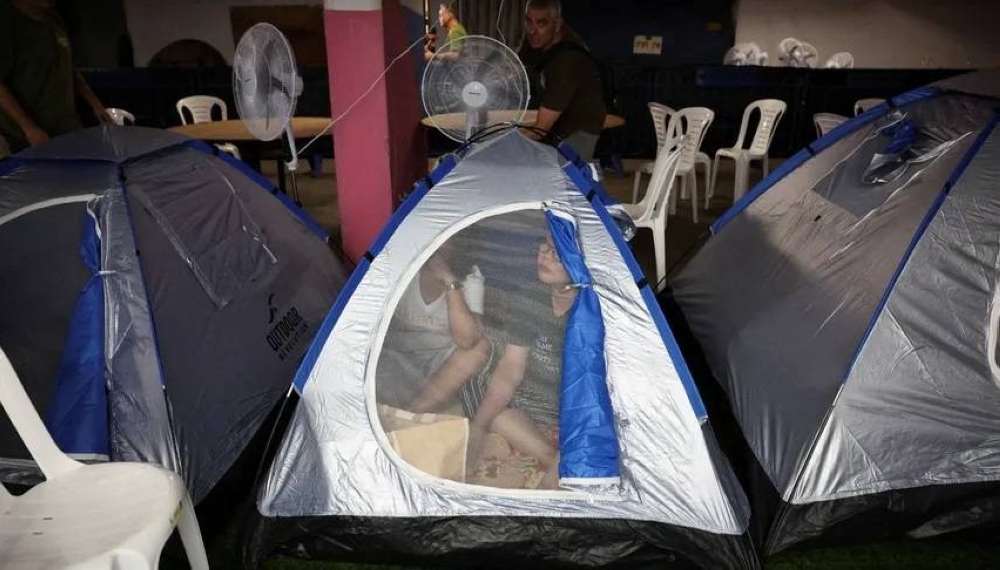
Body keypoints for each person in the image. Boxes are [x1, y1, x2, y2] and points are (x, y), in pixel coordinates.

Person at [462, 233, 576, 490]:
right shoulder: (531, 296)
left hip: (573, 407)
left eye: (557, 252)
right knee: (485, 401)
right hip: (533, 401)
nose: (545, 255)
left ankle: (557, 460)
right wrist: (478, 427)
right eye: (544, 246)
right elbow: (512, 367)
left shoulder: (591, 308)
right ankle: (552, 458)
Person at [377, 242, 489, 414]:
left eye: (446, 241)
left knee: (479, 347)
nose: (437, 246)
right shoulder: (399, 268)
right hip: (395, 358)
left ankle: (411, 414)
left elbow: (467, 340)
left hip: (440, 365)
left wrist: (450, 282)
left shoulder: (470, 277)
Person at [0, 0, 110, 153]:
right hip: (30, 137)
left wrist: (95, 103)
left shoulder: (54, 19)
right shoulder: (6, 22)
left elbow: (68, 66)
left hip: (67, 126)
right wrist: (29, 129)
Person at [518, 0, 606, 162]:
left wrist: (503, 143)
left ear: (557, 24)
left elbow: (541, 129)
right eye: (529, 22)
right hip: (557, 127)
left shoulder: (567, 61)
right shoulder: (539, 46)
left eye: (541, 23)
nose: (532, 31)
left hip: (576, 134)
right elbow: (515, 69)